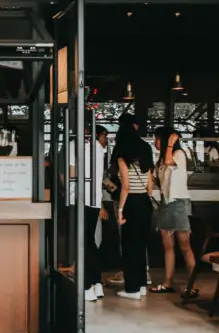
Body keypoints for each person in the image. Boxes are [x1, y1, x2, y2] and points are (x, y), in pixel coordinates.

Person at [150, 126, 197, 297]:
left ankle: (191, 285)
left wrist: (170, 144)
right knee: (168, 246)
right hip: (166, 204)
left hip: (179, 204)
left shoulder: (178, 155)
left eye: (157, 138)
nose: (154, 142)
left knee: (185, 246)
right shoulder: (161, 159)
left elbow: (171, 163)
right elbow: (160, 181)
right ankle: (168, 282)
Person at [115, 121, 154, 300]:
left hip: (131, 203)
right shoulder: (146, 154)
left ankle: (132, 289)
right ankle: (141, 285)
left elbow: (125, 186)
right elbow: (150, 184)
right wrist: (146, 196)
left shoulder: (123, 159)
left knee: (129, 246)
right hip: (145, 202)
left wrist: (120, 209)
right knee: (140, 245)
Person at [83, 125, 108, 303]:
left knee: (84, 243)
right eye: (104, 136)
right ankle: (96, 283)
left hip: (84, 201)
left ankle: (86, 287)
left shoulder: (87, 149)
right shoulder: (98, 151)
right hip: (93, 201)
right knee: (89, 242)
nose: (105, 139)